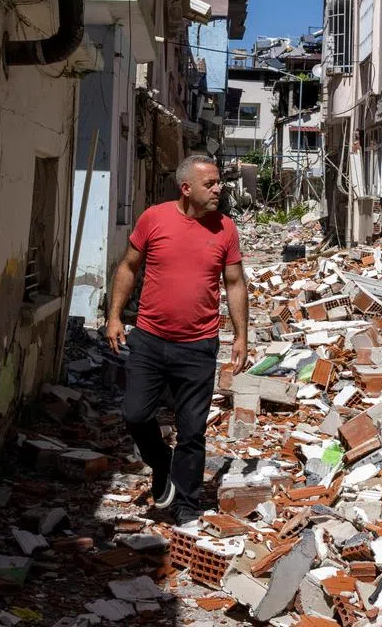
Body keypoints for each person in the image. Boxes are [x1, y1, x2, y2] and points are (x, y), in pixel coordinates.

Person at [105, 155, 248, 526]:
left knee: (192, 430)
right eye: (211, 184)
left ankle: (186, 502)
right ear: (186, 188)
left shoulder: (225, 229)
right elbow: (128, 267)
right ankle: (161, 462)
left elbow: (234, 283)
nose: (220, 189)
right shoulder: (154, 218)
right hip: (150, 339)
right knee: (135, 414)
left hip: (198, 345)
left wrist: (241, 336)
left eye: (219, 182)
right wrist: (114, 316)